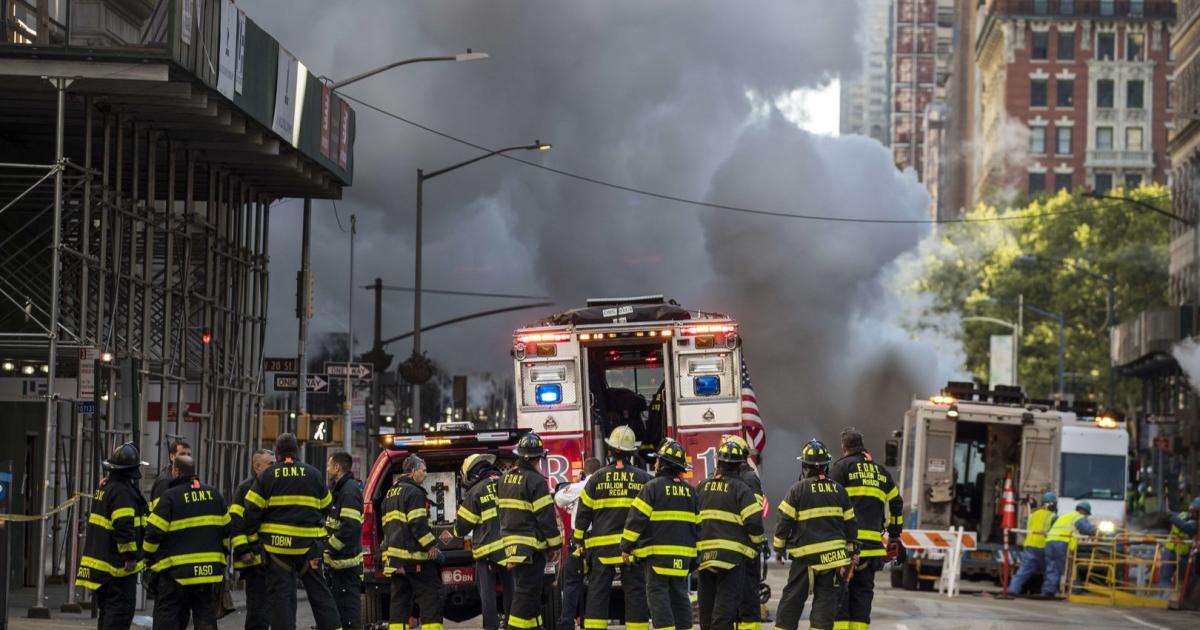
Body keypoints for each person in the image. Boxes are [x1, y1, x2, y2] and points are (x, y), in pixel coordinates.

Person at [235, 433, 341, 630]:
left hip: (277, 550)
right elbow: (327, 506)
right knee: (320, 594)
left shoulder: (268, 476)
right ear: (297, 451)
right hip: (309, 548)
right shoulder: (313, 474)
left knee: (281, 599)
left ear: (277, 452)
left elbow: (251, 511)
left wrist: (251, 541)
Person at [773, 439, 858, 630]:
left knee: (790, 606)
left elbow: (784, 522)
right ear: (826, 466)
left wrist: (779, 548)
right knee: (824, 611)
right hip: (834, 559)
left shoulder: (798, 490)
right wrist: (851, 553)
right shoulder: (839, 490)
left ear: (805, 466)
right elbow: (851, 526)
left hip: (805, 559)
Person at [574, 426, 652, 630]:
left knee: (598, 591)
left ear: (609, 450)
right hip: (632, 548)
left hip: (601, 550)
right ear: (631, 453)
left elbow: (583, 513)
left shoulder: (596, 478)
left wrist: (579, 542)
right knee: (635, 592)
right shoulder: (644, 479)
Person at [829, 427, 904, 629]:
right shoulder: (881, 472)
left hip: (846, 547)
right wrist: (895, 534)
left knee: (840, 595)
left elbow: (829, 504)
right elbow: (896, 502)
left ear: (844, 447)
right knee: (862, 597)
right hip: (872, 549)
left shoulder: (840, 468)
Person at [621, 439, 699, 630]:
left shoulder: (652, 488)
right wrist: (696, 558)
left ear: (663, 464)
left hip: (657, 559)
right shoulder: (691, 492)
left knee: (659, 599)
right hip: (682, 559)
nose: (655, 464)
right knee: (680, 597)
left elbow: (636, 520)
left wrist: (626, 547)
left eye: (657, 461)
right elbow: (699, 527)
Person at [144, 455, 229, 630]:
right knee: (205, 615)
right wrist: (220, 560)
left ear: (176, 471)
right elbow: (227, 531)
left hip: (175, 574)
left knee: (168, 618)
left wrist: (147, 558)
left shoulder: (169, 497)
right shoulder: (215, 494)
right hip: (208, 573)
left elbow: (153, 533)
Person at [75, 442, 149, 630]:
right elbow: (124, 526)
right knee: (119, 615)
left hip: (102, 568)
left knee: (107, 614)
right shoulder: (122, 492)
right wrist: (129, 557)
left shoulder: (107, 488)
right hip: (117, 569)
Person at [697, 438, 764, 630]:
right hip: (731, 559)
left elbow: (693, 519)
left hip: (705, 558)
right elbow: (754, 522)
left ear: (718, 462)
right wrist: (754, 546)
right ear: (738, 465)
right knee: (724, 610)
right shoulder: (741, 487)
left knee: (707, 610)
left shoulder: (702, 485)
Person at [498, 432, 562, 630]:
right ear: (538, 458)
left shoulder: (505, 479)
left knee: (531, 594)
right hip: (531, 548)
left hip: (511, 545)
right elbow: (546, 518)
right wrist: (555, 545)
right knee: (526, 593)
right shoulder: (536, 481)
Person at [380, 454, 444, 630]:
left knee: (400, 603)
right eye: (423, 470)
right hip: (416, 559)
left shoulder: (390, 493)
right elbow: (418, 525)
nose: (425, 473)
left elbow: (386, 529)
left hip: (396, 561)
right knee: (431, 597)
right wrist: (431, 546)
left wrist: (390, 560)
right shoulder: (415, 493)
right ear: (413, 471)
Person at [455, 453, 512, 630]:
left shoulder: (476, 491)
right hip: (511, 549)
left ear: (472, 473)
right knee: (513, 592)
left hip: (486, 554)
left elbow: (461, 528)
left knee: (488, 599)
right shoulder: (509, 483)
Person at [719, 434, 767, 627]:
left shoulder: (749, 478)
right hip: (735, 547)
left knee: (748, 599)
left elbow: (754, 515)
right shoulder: (734, 477)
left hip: (747, 547)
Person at [228, 448, 275, 630]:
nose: (275, 466)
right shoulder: (245, 489)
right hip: (255, 560)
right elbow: (236, 523)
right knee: (257, 609)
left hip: (274, 558)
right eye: (270, 463)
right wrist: (243, 550)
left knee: (273, 609)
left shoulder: (276, 485)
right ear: (257, 466)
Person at [555, 457, 602, 630]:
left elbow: (559, 498)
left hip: (580, 542)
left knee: (572, 582)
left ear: (585, 471)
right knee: (598, 584)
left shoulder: (579, 487)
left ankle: (567, 622)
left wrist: (577, 482)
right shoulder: (604, 486)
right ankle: (593, 621)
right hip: (601, 541)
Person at [324, 450, 364, 630]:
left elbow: (350, 528)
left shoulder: (349, 491)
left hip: (347, 566)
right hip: (338, 566)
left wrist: (329, 548)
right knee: (340, 615)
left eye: (329, 465)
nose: (327, 469)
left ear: (337, 467)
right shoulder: (339, 490)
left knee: (349, 616)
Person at [1040, 501, 1096, 598]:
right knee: (1068, 568)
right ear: (1084, 511)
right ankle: (1075, 590)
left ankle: (1048, 590)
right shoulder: (1078, 517)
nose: (1086, 517)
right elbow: (1088, 530)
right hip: (1062, 544)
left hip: (1050, 542)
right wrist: (1098, 531)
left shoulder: (1064, 516)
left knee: (1052, 568)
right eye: (1087, 514)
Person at [1006, 491, 1058, 596]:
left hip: (1030, 547)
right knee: (1050, 570)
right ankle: (1047, 591)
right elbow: (1054, 534)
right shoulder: (1053, 517)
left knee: (1023, 571)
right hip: (1044, 547)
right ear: (1053, 504)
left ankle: (1013, 589)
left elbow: (1024, 530)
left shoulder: (1032, 515)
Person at [1162, 497, 1200, 590]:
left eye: (1195, 510)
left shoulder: (1196, 524)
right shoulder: (1182, 515)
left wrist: (1171, 516)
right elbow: (1173, 516)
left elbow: (1186, 527)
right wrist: (1168, 512)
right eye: (1192, 509)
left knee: (1183, 578)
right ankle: (1164, 596)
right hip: (1171, 550)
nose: (1192, 512)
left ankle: (1179, 596)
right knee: (1165, 576)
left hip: (1184, 553)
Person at [150, 439, 192, 510]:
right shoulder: (165, 481)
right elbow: (159, 512)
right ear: (172, 457)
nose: (186, 457)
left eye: (188, 454)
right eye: (182, 454)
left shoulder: (185, 478)